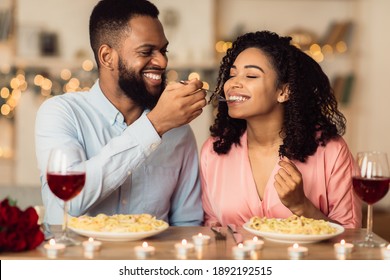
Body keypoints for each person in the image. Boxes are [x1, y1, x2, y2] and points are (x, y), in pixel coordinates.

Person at [35, 0, 207, 226]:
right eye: (147, 51)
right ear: (107, 57)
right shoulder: (61, 113)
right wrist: (154, 126)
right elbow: (70, 198)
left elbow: (188, 223)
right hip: (74, 260)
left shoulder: (178, 131)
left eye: (163, 50)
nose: (162, 61)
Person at [200, 30, 362, 228]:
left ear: (284, 91)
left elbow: (350, 236)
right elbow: (212, 226)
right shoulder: (214, 151)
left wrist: (302, 206)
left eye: (251, 75)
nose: (233, 83)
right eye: (232, 74)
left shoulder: (332, 152)